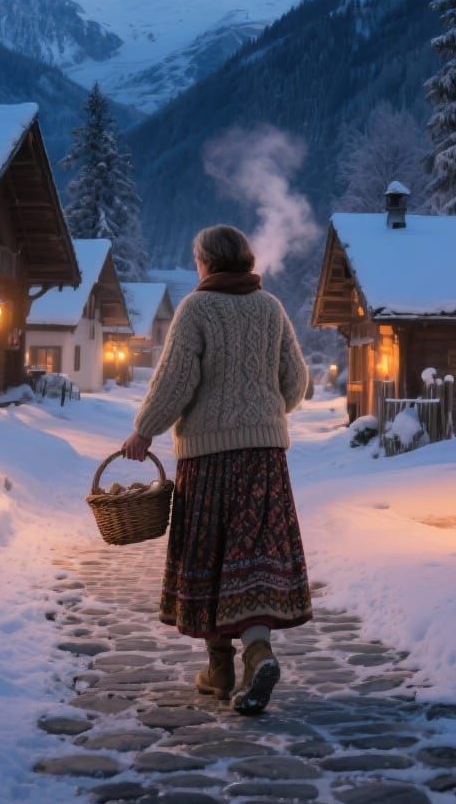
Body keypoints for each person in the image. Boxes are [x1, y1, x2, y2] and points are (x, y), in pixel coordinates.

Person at [120, 224, 312, 715]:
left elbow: (175, 382)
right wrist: (264, 410)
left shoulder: (197, 309)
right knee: (253, 556)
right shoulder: (270, 308)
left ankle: (221, 668)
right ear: (245, 261)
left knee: (209, 556)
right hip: (264, 456)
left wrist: (144, 431)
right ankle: (255, 652)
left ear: (206, 262)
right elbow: (296, 382)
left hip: (207, 458)